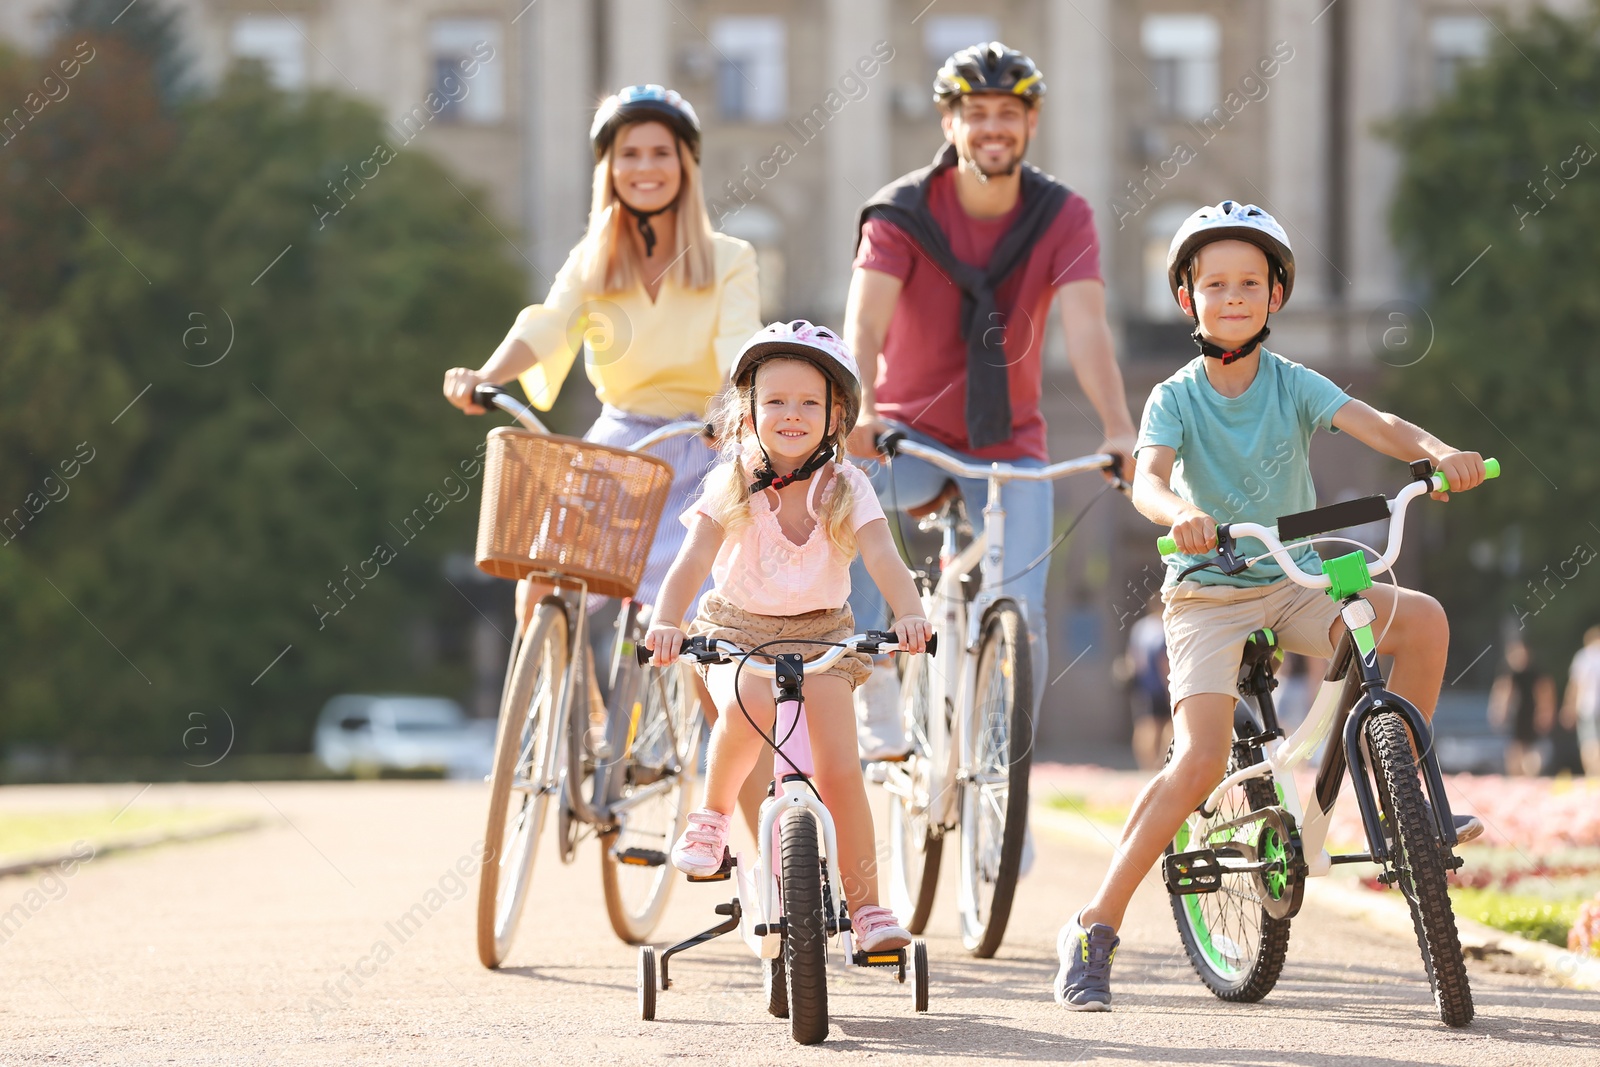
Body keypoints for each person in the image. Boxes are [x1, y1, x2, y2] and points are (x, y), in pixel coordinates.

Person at [1053, 200, 1489, 1012]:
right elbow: (1147, 476)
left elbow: (1377, 422)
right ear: (1187, 299)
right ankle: (1092, 928)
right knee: (1199, 758)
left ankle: (1409, 800)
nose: (1233, 297)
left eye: (1250, 283)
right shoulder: (1175, 397)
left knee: (1421, 620)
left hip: (1293, 575)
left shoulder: (1293, 382)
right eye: (1214, 284)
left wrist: (1436, 453)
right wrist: (1172, 512)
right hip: (1209, 590)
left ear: (1276, 295)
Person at [441, 85, 767, 827]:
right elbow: (548, 324)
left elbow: (740, 342)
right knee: (541, 582)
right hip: (619, 441)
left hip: (702, 441)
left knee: (689, 632)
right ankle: (586, 722)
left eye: (660, 153)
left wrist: (730, 411)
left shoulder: (727, 259)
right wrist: (488, 375)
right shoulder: (596, 259)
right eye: (629, 155)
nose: (644, 168)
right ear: (609, 168)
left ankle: (758, 858)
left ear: (686, 164)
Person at [843, 42, 1139, 761]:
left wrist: (1117, 428)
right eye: (976, 114)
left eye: (1009, 113)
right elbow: (865, 323)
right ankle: (875, 671)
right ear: (949, 124)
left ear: (1031, 123)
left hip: (1008, 439)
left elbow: (1086, 326)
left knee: (1021, 612)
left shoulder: (1061, 215)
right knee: (848, 499)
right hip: (905, 433)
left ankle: (1003, 780)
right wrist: (862, 408)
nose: (993, 128)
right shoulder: (902, 211)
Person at [643, 321, 931, 952]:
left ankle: (868, 912)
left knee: (840, 769)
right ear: (747, 414)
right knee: (747, 701)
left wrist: (909, 613)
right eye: (774, 401)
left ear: (836, 418)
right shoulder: (732, 482)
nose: (791, 414)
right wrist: (667, 623)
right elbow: (689, 563)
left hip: (822, 634)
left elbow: (883, 557)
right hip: (738, 629)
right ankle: (712, 818)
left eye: (809, 402)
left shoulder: (846, 487)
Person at [1489, 639, 1557, 776]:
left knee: (1531, 749)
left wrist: (1545, 713)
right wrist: (1499, 710)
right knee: (1515, 748)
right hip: (1516, 713)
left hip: (1531, 713)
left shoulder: (1536, 672)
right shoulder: (1509, 672)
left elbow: (1544, 692)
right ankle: (1517, 776)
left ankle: (1528, 775)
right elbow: (1503, 692)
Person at [1121, 597, 1171, 771]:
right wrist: (1169, 688)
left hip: (1143, 684)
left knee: (1145, 725)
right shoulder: (1163, 629)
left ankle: (1147, 766)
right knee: (1168, 726)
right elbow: (1164, 661)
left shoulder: (1140, 628)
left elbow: (1132, 656)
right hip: (1161, 685)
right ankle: (1164, 764)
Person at [1562, 625, 1600, 776]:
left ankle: (1593, 772)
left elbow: (1575, 685)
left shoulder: (1583, 657)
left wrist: (1569, 706)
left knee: (1588, 741)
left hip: (1587, 706)